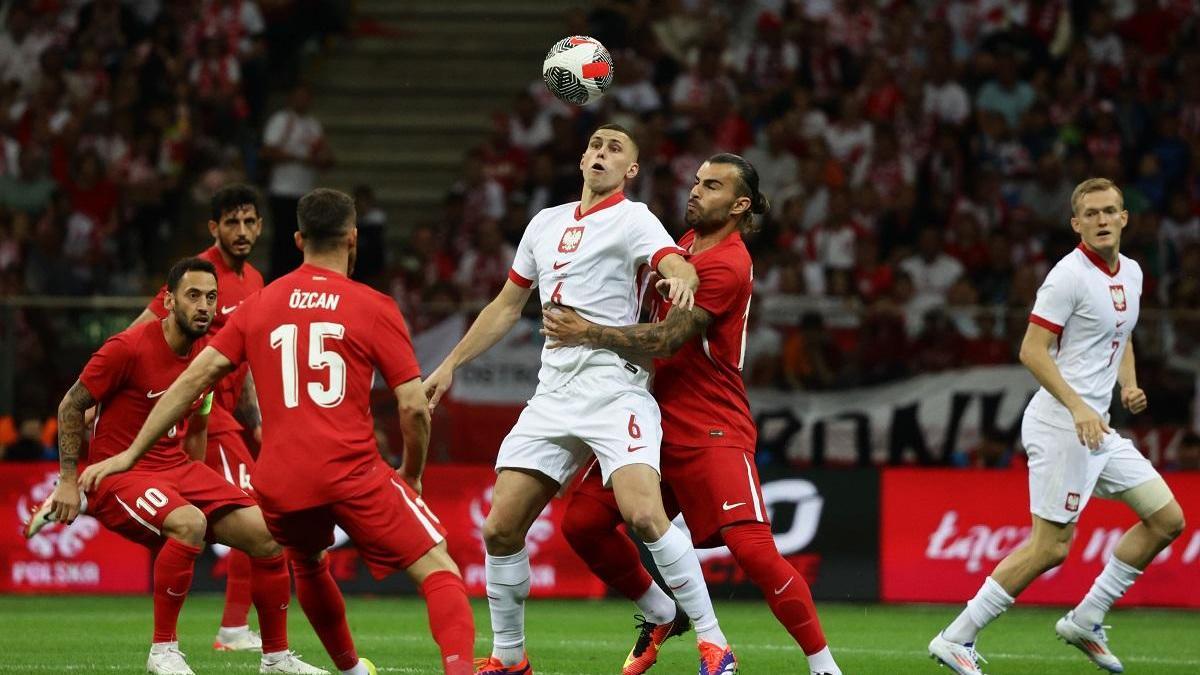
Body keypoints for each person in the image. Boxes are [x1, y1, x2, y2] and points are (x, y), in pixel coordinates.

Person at [81, 189, 475, 675]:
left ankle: (347, 669)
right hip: (351, 469)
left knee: (307, 561)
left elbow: (191, 381)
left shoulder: (259, 302)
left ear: (298, 240)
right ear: (353, 238)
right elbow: (414, 407)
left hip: (281, 480)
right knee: (438, 569)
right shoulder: (374, 306)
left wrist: (130, 453)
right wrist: (411, 473)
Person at [423, 124, 737, 675]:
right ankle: (511, 658)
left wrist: (681, 276)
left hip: (616, 389)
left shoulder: (634, 218)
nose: (601, 153)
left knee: (645, 514)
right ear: (582, 158)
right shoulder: (544, 223)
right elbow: (505, 306)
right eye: (595, 145)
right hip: (554, 393)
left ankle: (715, 645)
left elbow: (673, 261)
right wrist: (449, 365)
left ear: (630, 170)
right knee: (499, 529)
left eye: (615, 149)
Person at [542, 154, 842, 675]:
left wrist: (586, 332)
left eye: (712, 186)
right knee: (583, 523)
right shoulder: (682, 246)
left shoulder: (729, 263)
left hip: (711, 425)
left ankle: (824, 667)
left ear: (740, 205)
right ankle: (661, 613)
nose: (696, 191)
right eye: (697, 181)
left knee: (753, 551)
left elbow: (667, 339)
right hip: (649, 419)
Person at [928, 178, 1187, 675]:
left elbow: (1122, 335)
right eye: (1091, 214)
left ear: (1125, 217)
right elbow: (1031, 351)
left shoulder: (1132, 273)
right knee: (1050, 548)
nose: (1102, 220)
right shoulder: (1067, 276)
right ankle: (956, 638)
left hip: (1096, 428)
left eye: (1109, 211)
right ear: (1076, 224)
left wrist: (1128, 385)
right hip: (1062, 425)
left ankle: (1086, 618)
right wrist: (1078, 407)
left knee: (1166, 520)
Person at [41, 257, 325, 675]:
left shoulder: (207, 359)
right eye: (193, 296)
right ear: (170, 300)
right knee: (189, 522)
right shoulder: (127, 347)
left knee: (269, 535)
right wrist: (68, 481)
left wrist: (197, 485)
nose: (204, 306)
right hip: (120, 474)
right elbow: (71, 405)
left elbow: (198, 429)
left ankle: (276, 659)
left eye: (211, 297)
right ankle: (163, 652)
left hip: (177, 468)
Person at [132, 183, 269, 653]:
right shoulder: (197, 275)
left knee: (244, 514)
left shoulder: (256, 280)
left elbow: (244, 356)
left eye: (249, 221)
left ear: (260, 227)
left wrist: (256, 417)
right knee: (254, 513)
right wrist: (98, 387)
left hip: (228, 417)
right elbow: (142, 329)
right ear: (214, 227)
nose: (241, 230)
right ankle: (232, 628)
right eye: (232, 222)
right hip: (201, 415)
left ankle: (230, 626)